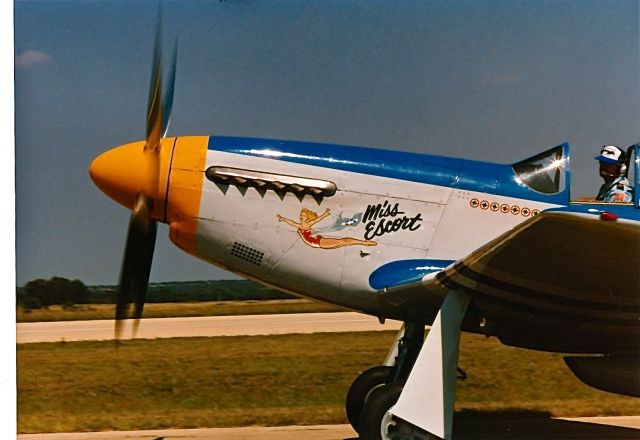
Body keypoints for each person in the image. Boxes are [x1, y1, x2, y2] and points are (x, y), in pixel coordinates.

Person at [277, 208, 377, 249]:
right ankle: (364, 242)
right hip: (315, 241)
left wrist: (325, 214)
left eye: (303, 215)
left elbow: (317, 220)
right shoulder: (301, 225)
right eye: (301, 215)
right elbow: (292, 223)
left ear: (307, 217)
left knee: (341, 242)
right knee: (341, 242)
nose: (301, 216)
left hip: (317, 242)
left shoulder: (307, 225)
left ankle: (364, 243)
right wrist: (283, 219)